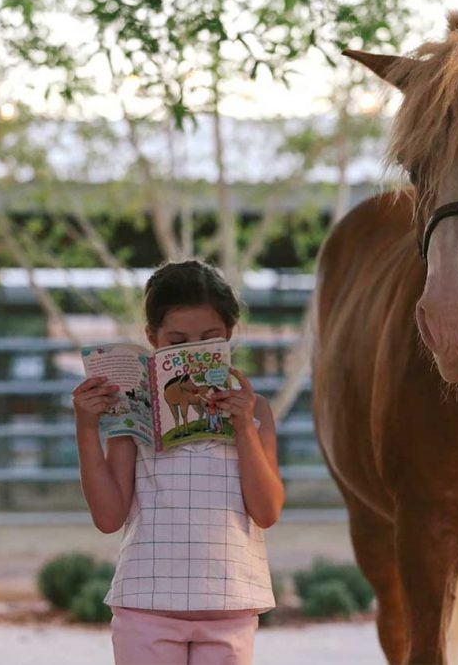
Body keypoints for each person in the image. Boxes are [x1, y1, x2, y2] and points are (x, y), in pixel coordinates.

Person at [73, 260, 283, 665]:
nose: (192, 350)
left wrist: (243, 428)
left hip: (230, 602)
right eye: (177, 341)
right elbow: (108, 516)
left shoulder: (256, 412)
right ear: (152, 338)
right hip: (146, 602)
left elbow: (267, 510)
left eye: (209, 339)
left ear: (230, 336)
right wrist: (86, 428)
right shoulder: (132, 411)